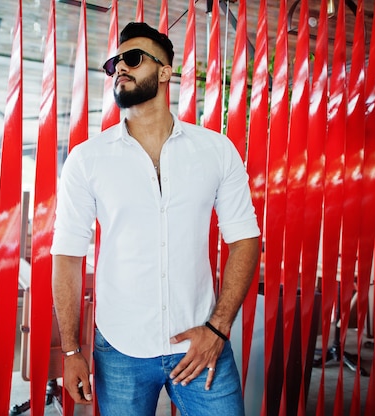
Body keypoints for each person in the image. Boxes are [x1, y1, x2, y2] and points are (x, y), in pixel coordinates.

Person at [51, 21, 260, 415]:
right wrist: (72, 349)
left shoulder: (215, 151)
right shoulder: (87, 159)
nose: (121, 69)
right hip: (120, 349)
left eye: (133, 58)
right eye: (115, 63)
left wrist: (218, 327)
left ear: (166, 72)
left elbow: (245, 238)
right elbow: (67, 255)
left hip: (201, 343)